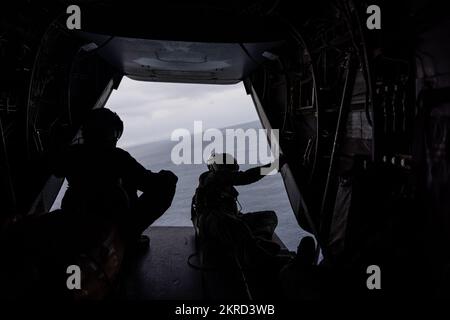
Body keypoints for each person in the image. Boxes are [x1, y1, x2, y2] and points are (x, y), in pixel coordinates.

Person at [51, 108, 178, 251]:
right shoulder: (117, 157)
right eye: (115, 133)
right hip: (114, 223)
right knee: (167, 183)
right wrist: (166, 176)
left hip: (77, 220)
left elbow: (57, 169)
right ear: (108, 132)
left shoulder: (72, 154)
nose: (116, 139)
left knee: (126, 182)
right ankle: (129, 239)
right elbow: (150, 183)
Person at [192, 152, 285, 264]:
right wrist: (274, 166)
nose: (232, 172)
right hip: (215, 224)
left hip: (227, 221)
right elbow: (247, 176)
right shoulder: (214, 177)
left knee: (269, 217)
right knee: (239, 226)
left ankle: (256, 242)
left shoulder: (216, 181)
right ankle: (258, 254)